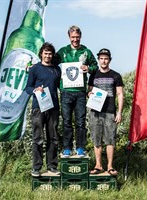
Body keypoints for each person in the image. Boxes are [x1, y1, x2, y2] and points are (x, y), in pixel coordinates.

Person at [54, 25, 98, 157]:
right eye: (72, 37)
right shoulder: (63, 51)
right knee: (66, 121)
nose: (75, 39)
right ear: (69, 37)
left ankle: (80, 148)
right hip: (66, 92)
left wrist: (88, 68)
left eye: (77, 37)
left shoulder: (86, 51)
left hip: (80, 92)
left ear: (81, 37)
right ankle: (67, 148)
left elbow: (95, 66)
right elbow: (51, 64)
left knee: (80, 121)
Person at [25, 42, 61, 177]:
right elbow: (27, 88)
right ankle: (36, 168)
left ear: (53, 55)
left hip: (53, 108)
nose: (48, 56)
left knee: (53, 138)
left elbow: (60, 86)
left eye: (50, 53)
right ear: (41, 54)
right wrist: (35, 90)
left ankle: (52, 166)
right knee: (37, 138)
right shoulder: (35, 69)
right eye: (45, 53)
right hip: (38, 108)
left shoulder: (57, 69)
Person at [87, 48, 124, 176]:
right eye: (101, 58)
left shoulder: (116, 75)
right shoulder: (93, 75)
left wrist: (119, 112)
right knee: (96, 139)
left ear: (110, 60)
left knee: (110, 139)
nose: (103, 61)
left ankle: (109, 166)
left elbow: (120, 94)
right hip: (95, 111)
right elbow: (89, 91)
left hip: (110, 111)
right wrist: (89, 93)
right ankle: (98, 165)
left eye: (106, 58)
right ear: (98, 60)